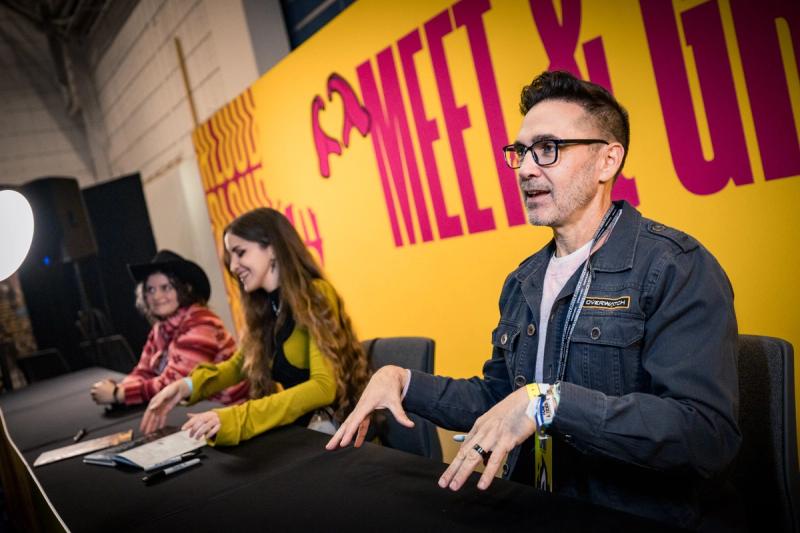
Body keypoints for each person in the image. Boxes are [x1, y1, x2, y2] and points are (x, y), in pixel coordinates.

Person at [327, 71, 740, 530]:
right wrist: (404, 382)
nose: (525, 168)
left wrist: (549, 403)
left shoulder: (674, 267)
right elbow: (501, 398)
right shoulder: (524, 281)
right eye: (521, 152)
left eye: (549, 149)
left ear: (607, 160)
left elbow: (705, 436)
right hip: (532, 502)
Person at [140, 208, 370, 446]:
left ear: (272, 248)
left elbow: (323, 388)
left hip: (340, 434)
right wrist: (185, 386)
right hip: (306, 430)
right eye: (231, 257)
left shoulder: (316, 294)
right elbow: (240, 365)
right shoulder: (266, 307)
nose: (233, 267)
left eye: (240, 253)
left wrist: (237, 417)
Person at [91, 250, 248, 407]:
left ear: (185, 289)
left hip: (226, 411)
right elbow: (144, 371)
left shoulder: (201, 323)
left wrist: (118, 394)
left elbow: (175, 384)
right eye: (150, 290)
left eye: (165, 288)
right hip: (193, 409)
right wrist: (122, 387)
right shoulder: (160, 329)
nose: (156, 296)